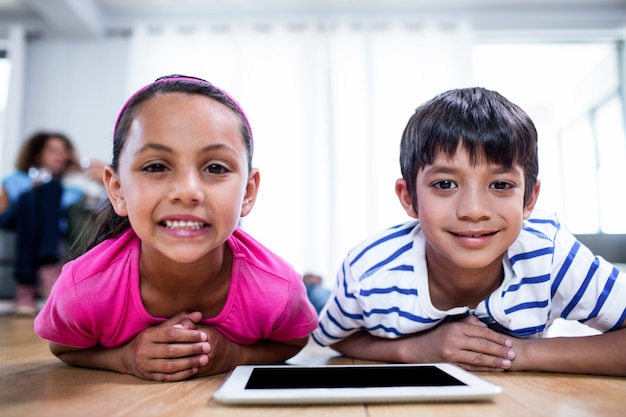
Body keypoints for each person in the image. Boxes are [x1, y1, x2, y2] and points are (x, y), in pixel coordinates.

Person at [312, 87, 626, 376]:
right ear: (409, 198)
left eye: (501, 185)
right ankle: (312, 287)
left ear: (529, 199)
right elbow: (336, 336)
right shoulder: (368, 270)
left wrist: (518, 352)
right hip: (367, 307)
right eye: (445, 184)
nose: (474, 210)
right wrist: (416, 350)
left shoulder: (549, 251)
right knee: (313, 302)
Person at [34, 75, 319, 382]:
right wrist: (126, 357)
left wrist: (232, 354)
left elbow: (292, 340)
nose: (187, 191)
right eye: (156, 166)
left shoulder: (279, 290)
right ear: (117, 190)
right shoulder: (84, 288)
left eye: (215, 168)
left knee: (318, 294)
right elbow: (62, 347)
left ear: (248, 192)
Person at [0, 131, 85, 316]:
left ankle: (26, 287)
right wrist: (33, 194)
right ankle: (48, 265)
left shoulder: (73, 187)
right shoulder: (14, 179)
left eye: (64, 151)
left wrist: (80, 168)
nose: (60, 156)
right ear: (37, 154)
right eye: (53, 151)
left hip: (46, 228)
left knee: (50, 188)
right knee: (28, 197)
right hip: (14, 218)